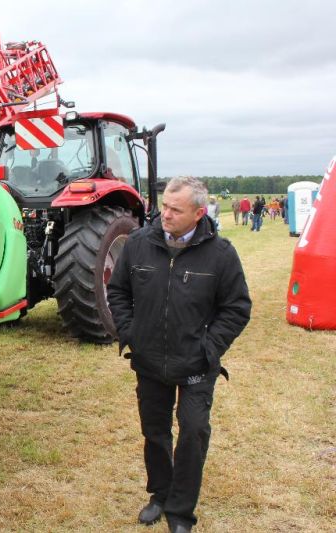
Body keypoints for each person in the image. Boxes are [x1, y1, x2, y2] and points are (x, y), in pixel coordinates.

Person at [107, 176, 251, 533]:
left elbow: (237, 307)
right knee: (155, 431)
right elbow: (118, 292)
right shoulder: (138, 244)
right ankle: (160, 494)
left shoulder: (221, 255)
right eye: (164, 206)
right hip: (149, 359)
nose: (165, 215)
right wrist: (131, 333)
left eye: (175, 209)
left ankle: (181, 512)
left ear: (199, 213)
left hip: (197, 364)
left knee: (194, 431)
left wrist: (210, 346)